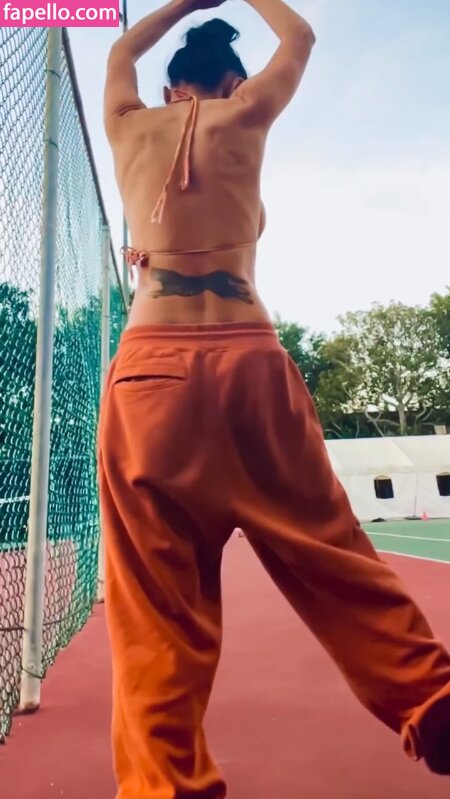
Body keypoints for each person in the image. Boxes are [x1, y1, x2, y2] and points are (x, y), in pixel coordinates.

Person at [99, 1, 450, 796]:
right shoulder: (247, 115)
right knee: (330, 548)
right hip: (248, 360)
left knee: (156, 609)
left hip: (151, 374)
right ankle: (430, 696)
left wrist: (184, 3)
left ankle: (164, 785)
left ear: (170, 90)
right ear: (232, 84)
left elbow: (120, 52)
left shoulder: (127, 126)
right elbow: (300, 36)